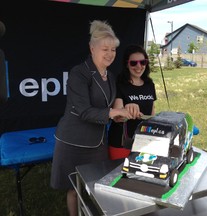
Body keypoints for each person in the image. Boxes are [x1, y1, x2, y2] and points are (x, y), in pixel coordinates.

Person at [50, 20, 132, 216]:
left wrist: (120, 115)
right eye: (105, 49)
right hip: (73, 141)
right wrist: (113, 113)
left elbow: (108, 108)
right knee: (74, 188)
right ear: (91, 48)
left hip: (97, 142)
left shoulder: (110, 76)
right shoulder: (79, 73)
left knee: (99, 184)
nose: (110, 54)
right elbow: (84, 111)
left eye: (113, 49)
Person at [108, 44, 157, 160]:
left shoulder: (150, 84)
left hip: (144, 142)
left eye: (143, 62)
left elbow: (152, 113)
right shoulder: (120, 84)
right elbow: (118, 116)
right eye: (133, 63)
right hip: (121, 143)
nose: (139, 66)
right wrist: (126, 110)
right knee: (119, 176)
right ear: (127, 64)